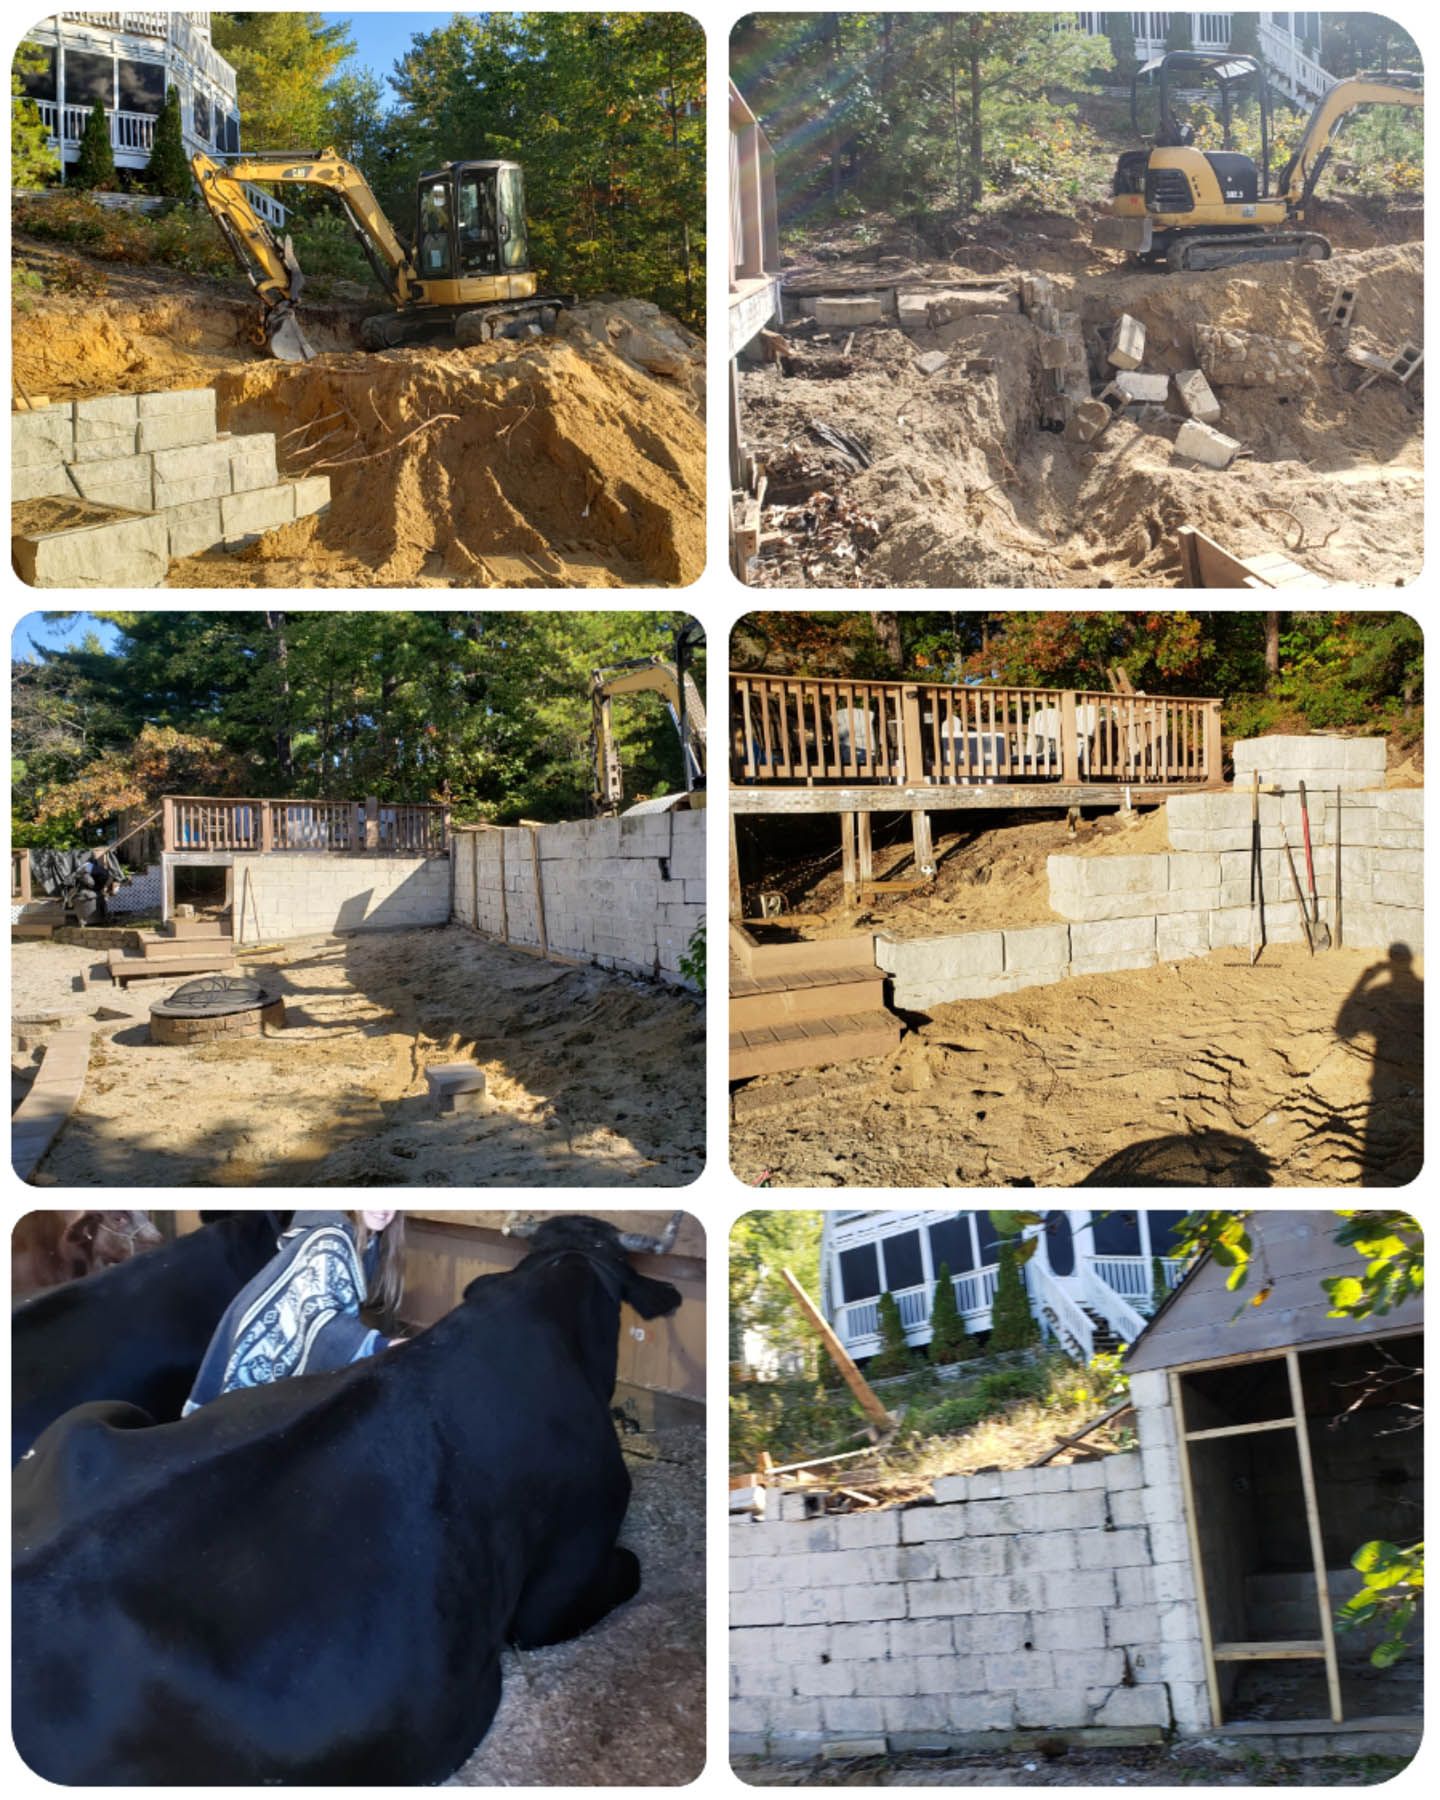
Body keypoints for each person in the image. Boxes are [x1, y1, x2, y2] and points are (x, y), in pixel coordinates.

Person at [183, 1211, 406, 1414]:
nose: (384, 1207)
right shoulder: (330, 1241)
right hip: (261, 1367)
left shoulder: (363, 1241)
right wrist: (380, 1346)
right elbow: (320, 1317)